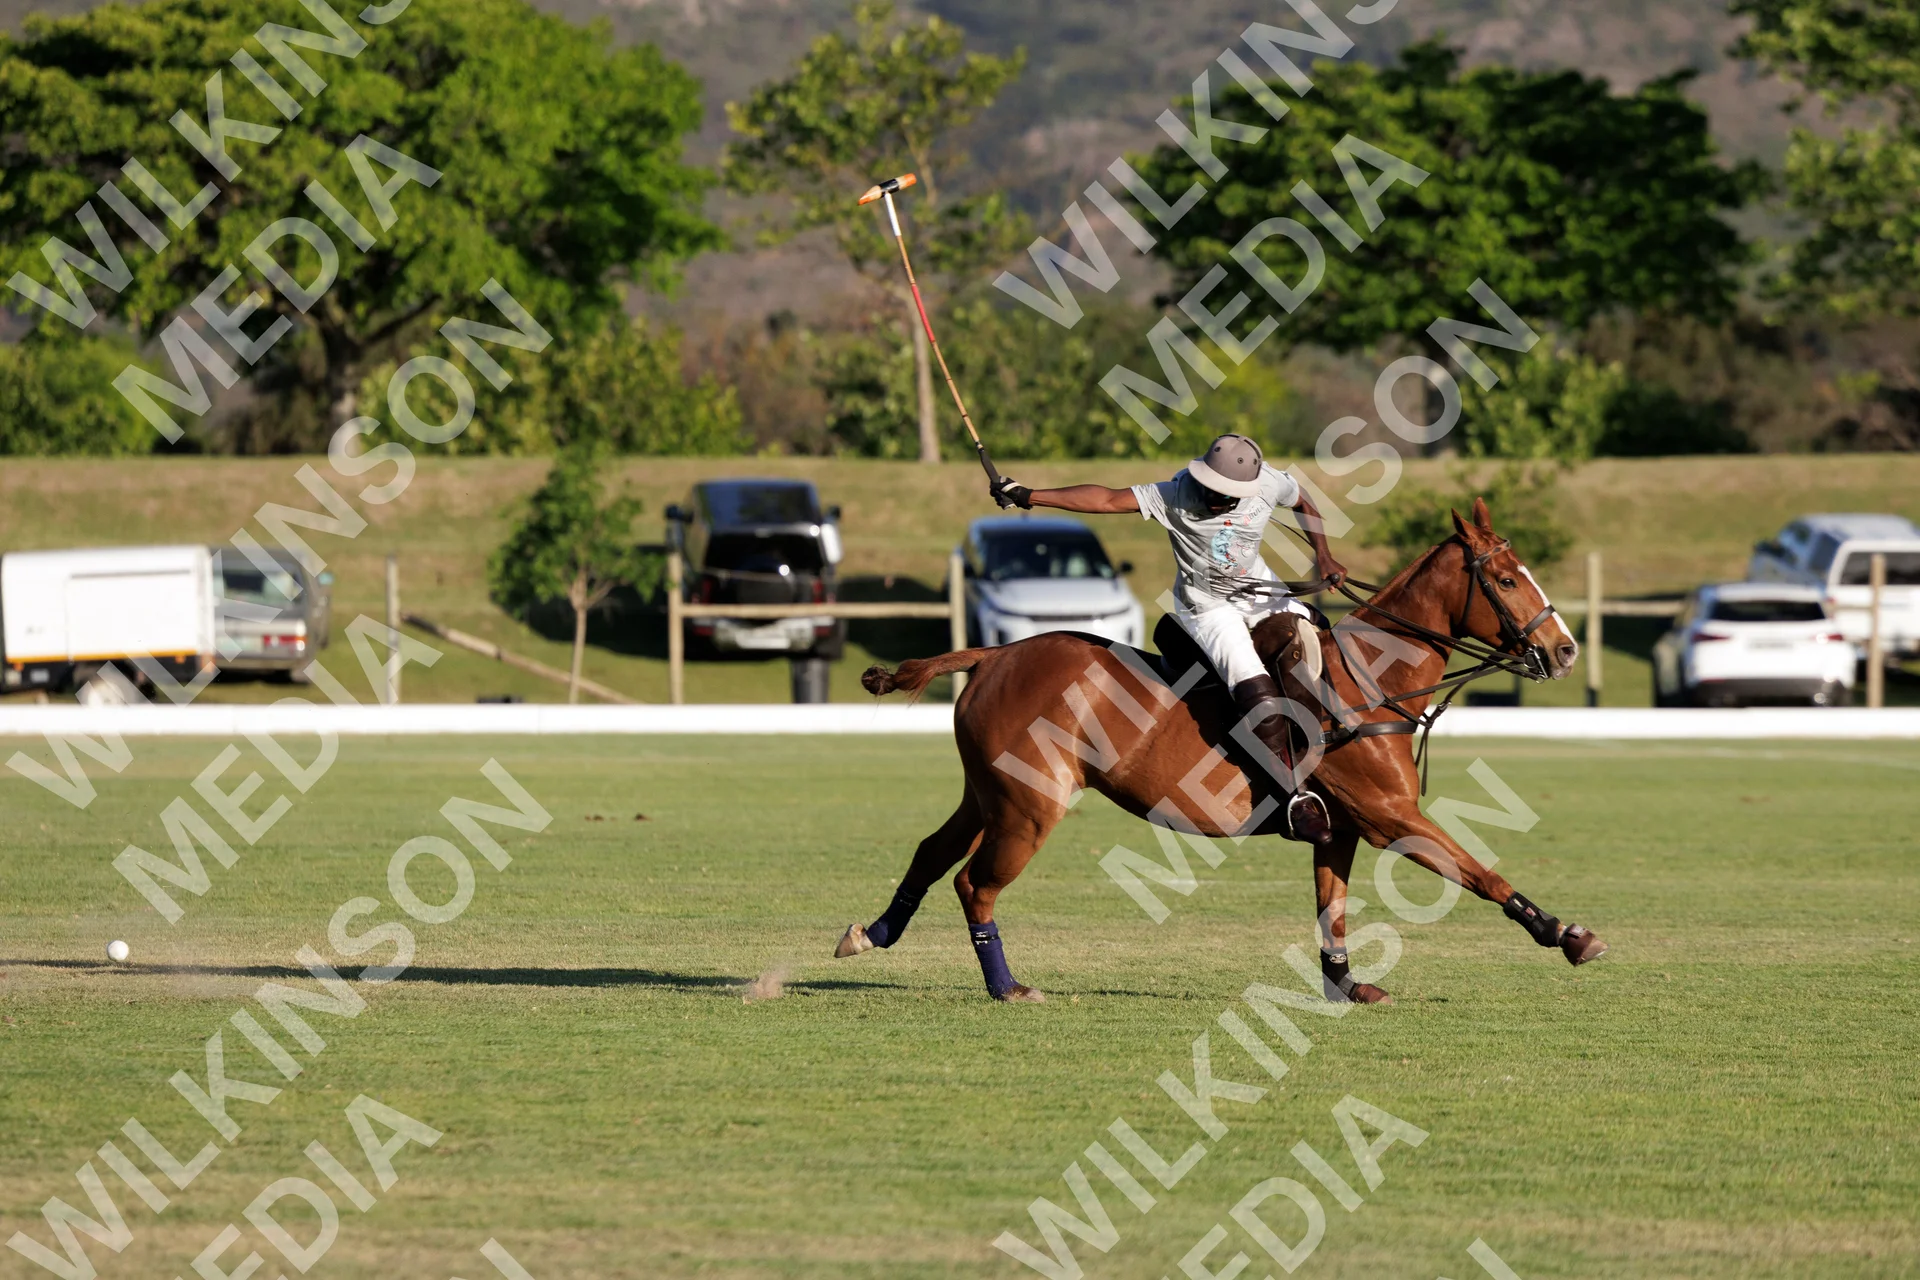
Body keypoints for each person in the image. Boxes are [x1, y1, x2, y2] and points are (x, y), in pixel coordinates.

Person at [989, 434, 1345, 843]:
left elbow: (1303, 501)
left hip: (1260, 591)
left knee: (1324, 643)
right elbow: (1107, 499)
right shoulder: (1176, 494)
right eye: (1211, 488)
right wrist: (1030, 495)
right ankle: (1295, 797)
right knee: (1257, 694)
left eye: (1227, 493)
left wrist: (1323, 554)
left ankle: (1342, 754)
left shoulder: (1268, 482)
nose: (1216, 498)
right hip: (1209, 608)